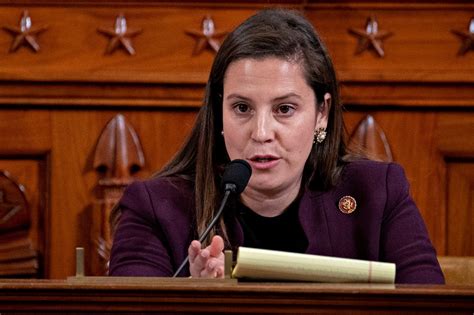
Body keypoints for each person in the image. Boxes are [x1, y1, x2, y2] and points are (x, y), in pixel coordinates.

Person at [108, 8, 444, 284]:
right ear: (219, 114)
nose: (262, 132)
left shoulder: (378, 195)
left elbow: (431, 308)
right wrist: (193, 301)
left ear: (321, 114)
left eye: (284, 109)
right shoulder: (155, 209)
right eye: (242, 108)